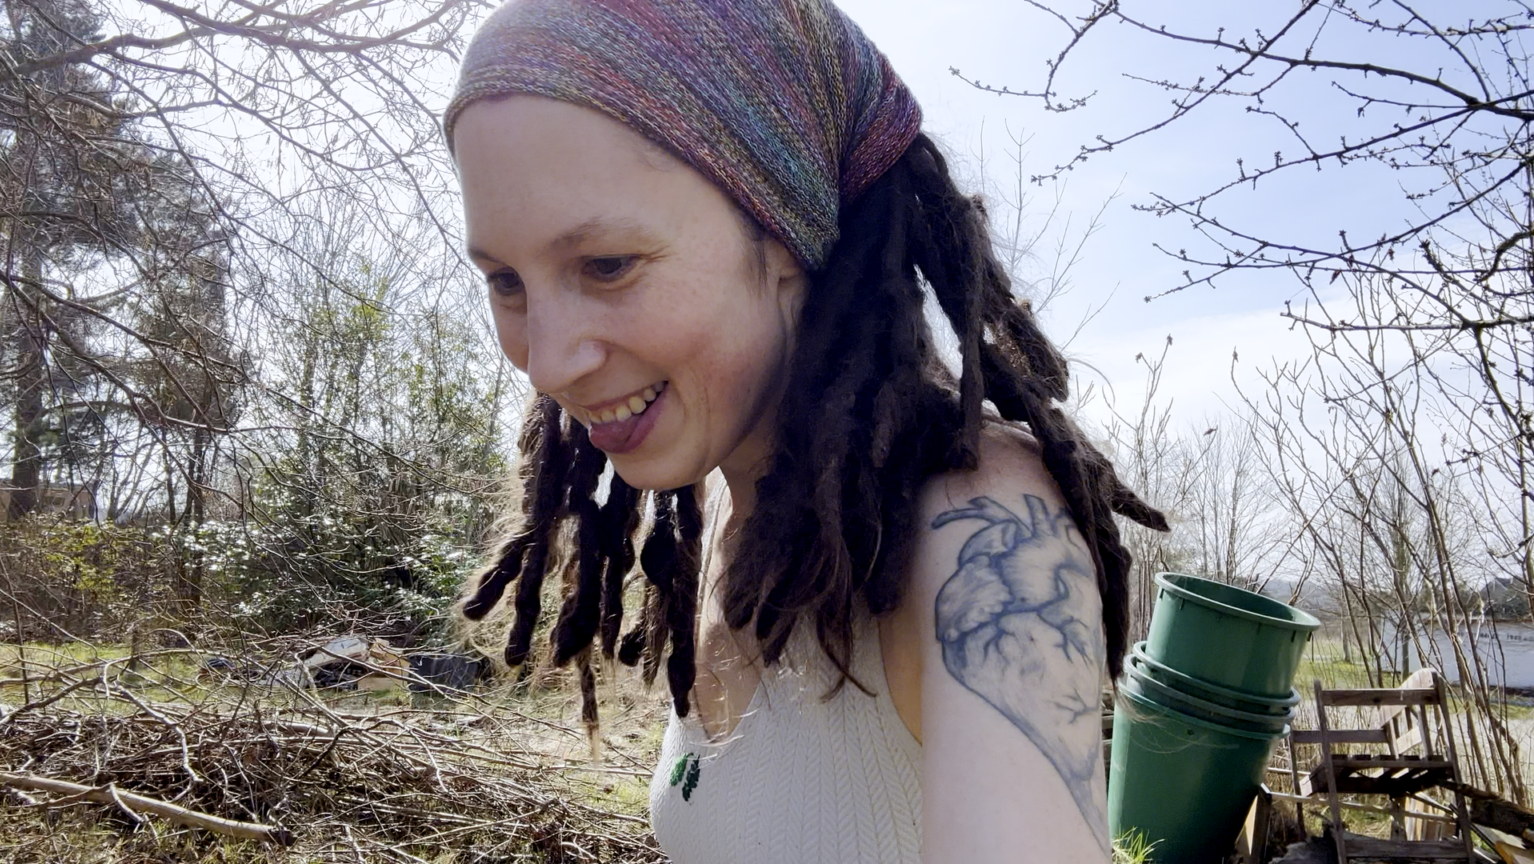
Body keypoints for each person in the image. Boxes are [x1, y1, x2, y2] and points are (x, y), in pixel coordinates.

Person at [445, 1, 1168, 861]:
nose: (549, 362)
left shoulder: (973, 526)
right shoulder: (719, 509)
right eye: (505, 281)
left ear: (787, 236)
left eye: (607, 265)